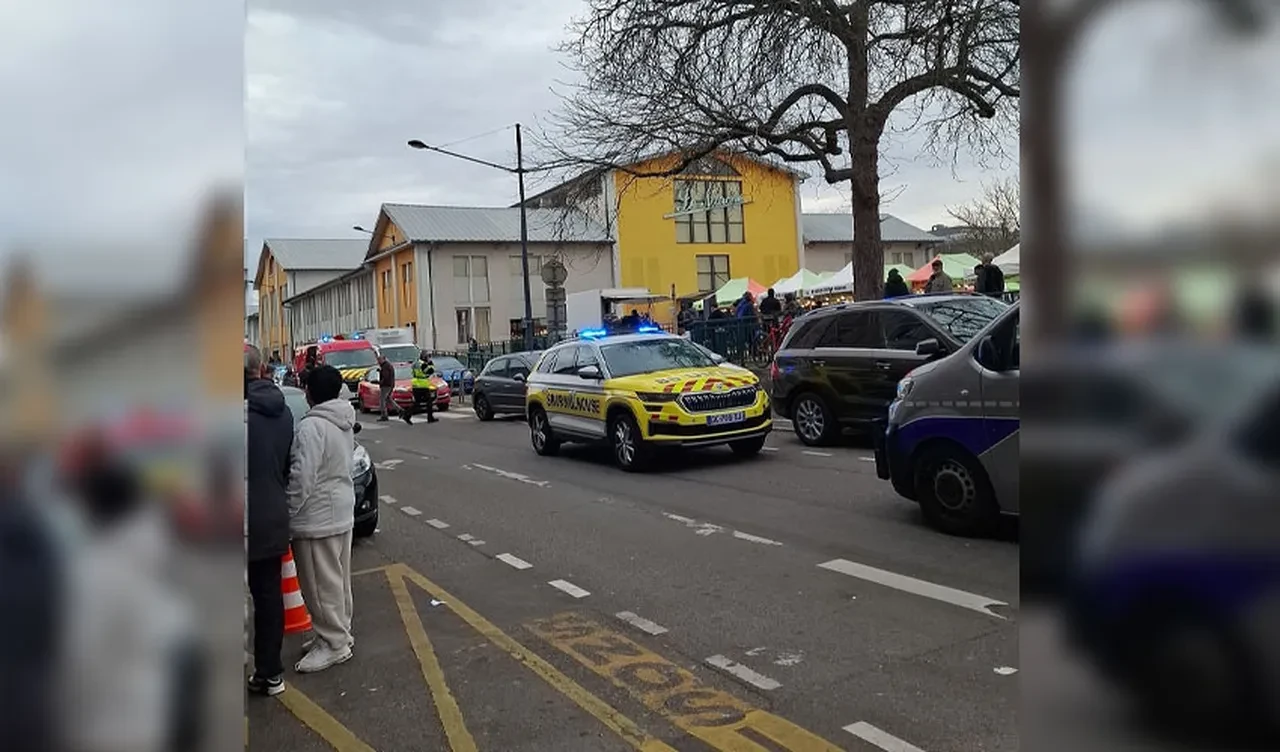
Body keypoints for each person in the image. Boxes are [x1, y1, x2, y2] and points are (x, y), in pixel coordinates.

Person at [287, 365, 356, 673]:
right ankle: (339, 633)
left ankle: (334, 643)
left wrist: (287, 511)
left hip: (317, 517)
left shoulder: (311, 427)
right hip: (340, 509)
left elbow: (302, 478)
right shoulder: (343, 420)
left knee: (318, 585)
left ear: (309, 392)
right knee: (338, 581)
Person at [244, 345, 293, 696]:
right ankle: (270, 673)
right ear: (261, 369)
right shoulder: (283, 412)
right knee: (268, 597)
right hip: (270, 515)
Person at [404, 353, 438, 425]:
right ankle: (430, 418)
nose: (428, 358)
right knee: (429, 402)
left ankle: (407, 415)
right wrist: (431, 363)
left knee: (417, 403)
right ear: (424, 357)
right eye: (427, 357)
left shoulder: (416, 363)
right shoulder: (423, 364)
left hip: (416, 385)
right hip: (422, 385)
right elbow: (430, 371)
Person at [376, 353, 397, 422]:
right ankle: (400, 410)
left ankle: (384, 415)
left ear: (384, 359)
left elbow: (386, 377)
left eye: (379, 360)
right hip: (389, 385)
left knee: (382, 401)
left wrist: (380, 382)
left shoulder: (385, 366)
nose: (378, 361)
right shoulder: (386, 366)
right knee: (388, 399)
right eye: (378, 360)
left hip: (386, 386)